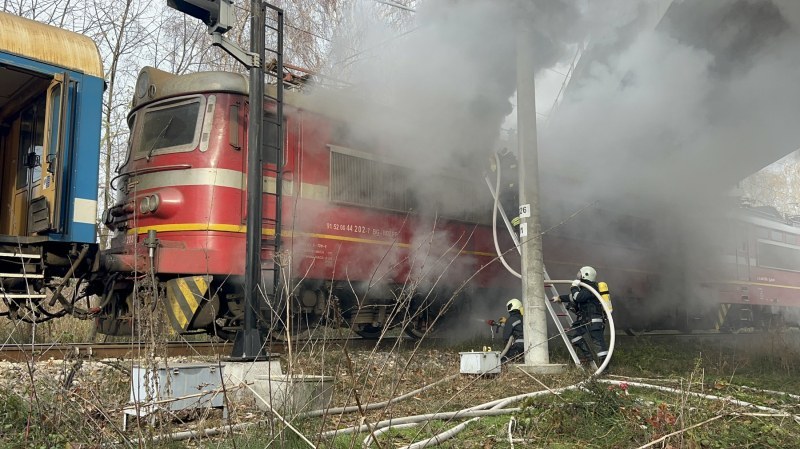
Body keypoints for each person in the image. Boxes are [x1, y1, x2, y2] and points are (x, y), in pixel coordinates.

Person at [552, 266, 610, 371]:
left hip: (593, 321)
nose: (578, 274)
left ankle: (604, 369)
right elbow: (574, 298)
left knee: (599, 345)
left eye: (580, 272)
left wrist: (573, 287)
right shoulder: (584, 289)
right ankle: (589, 358)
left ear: (585, 274)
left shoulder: (590, 287)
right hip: (585, 320)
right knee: (574, 335)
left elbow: (577, 297)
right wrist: (560, 298)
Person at [499, 298, 525, 363]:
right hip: (529, 345)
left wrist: (505, 350)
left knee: (503, 360)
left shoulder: (511, 320)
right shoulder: (524, 317)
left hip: (519, 345)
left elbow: (506, 337)